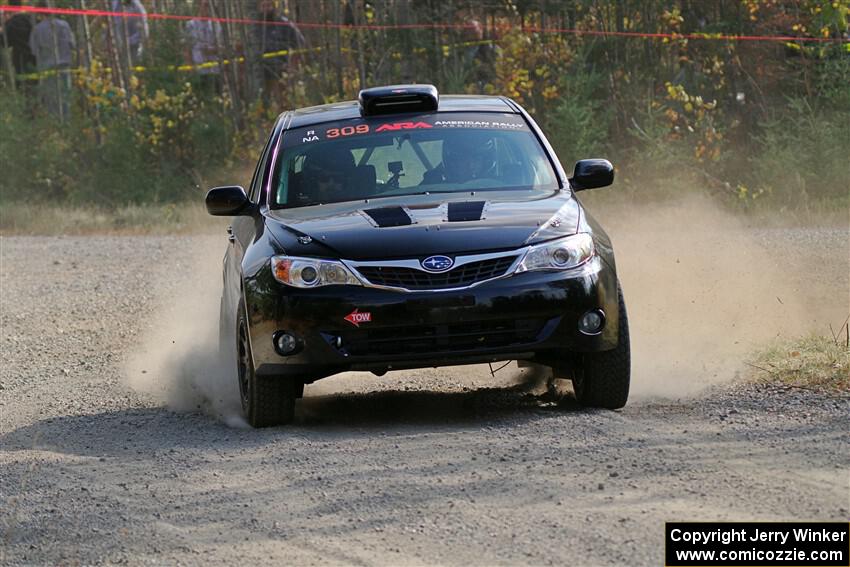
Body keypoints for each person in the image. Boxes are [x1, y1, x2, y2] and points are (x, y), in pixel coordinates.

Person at [29, 5, 75, 120]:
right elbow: (72, 45)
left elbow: (34, 50)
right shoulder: (65, 25)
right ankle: (66, 124)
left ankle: (55, 127)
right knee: (65, 97)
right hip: (64, 66)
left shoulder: (37, 29)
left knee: (51, 100)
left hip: (47, 68)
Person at [254, 0, 305, 95]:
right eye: (263, 6)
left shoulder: (284, 24)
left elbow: (300, 42)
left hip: (281, 69)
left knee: (282, 99)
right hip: (260, 71)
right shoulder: (256, 26)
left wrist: (292, 64)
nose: (266, 9)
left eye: (268, 5)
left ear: (274, 7)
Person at [421, 132, 498, 185]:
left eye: (476, 159)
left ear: (486, 161)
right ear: (453, 162)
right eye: (464, 159)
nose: (470, 165)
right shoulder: (433, 188)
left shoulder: (501, 185)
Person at [184, 0, 223, 94]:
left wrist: (213, 50)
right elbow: (187, 48)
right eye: (205, 5)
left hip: (214, 71)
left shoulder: (217, 25)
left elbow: (223, 48)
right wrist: (190, 68)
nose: (208, 8)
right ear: (199, 5)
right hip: (198, 71)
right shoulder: (191, 25)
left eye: (210, 6)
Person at [2, 0, 36, 88]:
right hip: (34, 57)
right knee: (35, 84)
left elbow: (4, 42)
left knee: (22, 86)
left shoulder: (10, 23)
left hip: (19, 58)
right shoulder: (30, 19)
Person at [110, 0, 149, 66]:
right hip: (116, 45)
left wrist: (143, 38)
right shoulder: (113, 3)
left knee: (134, 66)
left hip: (134, 44)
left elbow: (143, 22)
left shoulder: (135, 4)